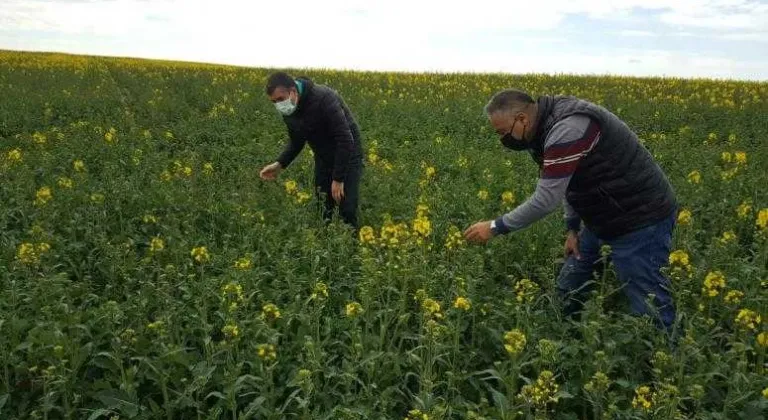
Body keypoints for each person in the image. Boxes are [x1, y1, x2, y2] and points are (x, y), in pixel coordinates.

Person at [463, 89, 678, 330]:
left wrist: (494, 227)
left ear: (522, 119)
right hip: (603, 218)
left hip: (641, 218)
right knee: (568, 287)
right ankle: (558, 339)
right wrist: (572, 228)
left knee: (648, 303)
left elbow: (546, 199)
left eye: (503, 132)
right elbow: (569, 181)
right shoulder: (543, 128)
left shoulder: (568, 128)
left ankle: (667, 356)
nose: (503, 140)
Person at [259, 72, 363, 229]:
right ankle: (328, 243)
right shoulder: (289, 110)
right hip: (323, 155)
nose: (279, 105)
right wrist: (279, 164)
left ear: (293, 91)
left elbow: (345, 139)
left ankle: (353, 244)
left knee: (346, 208)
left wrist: (338, 178)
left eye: (280, 99)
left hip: (348, 152)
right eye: (274, 102)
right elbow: (296, 141)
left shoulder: (324, 98)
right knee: (323, 204)